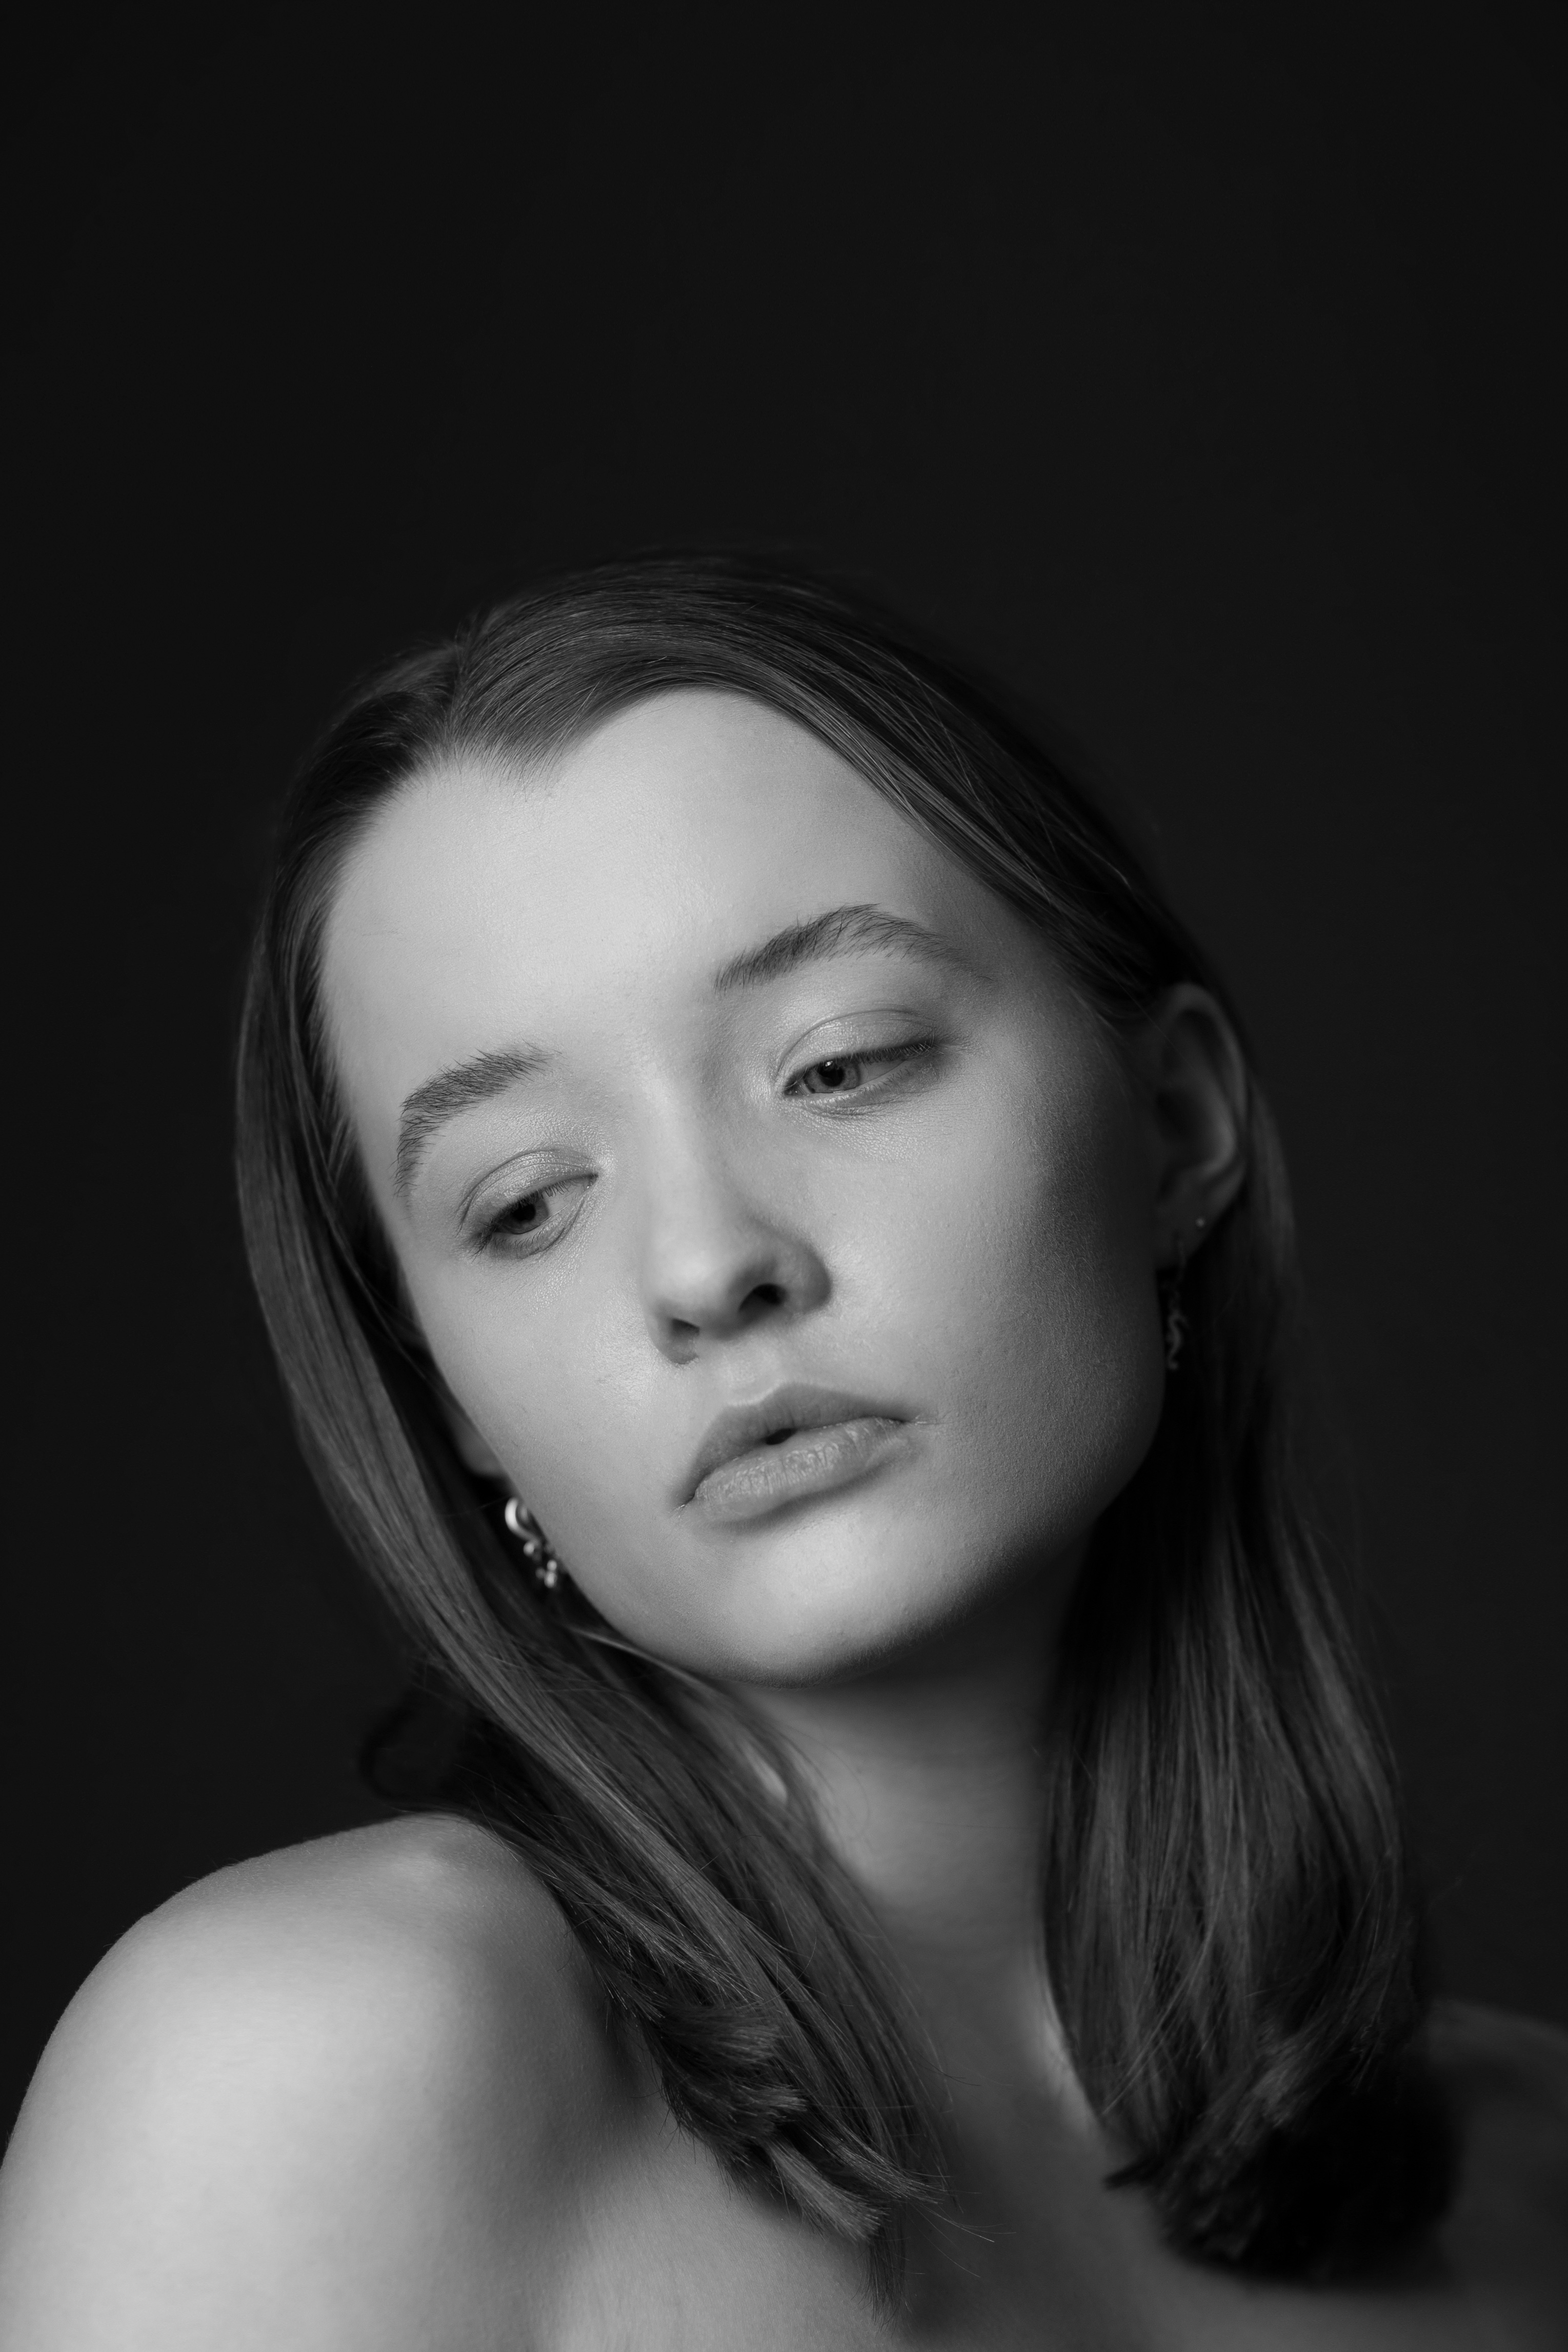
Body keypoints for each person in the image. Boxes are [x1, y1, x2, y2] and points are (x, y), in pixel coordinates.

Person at [0, 559, 1562, 2348]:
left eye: (837, 1064)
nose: (702, 1264)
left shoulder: (1533, 2180)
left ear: (1175, 1123)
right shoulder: (311, 2065)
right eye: (525, 1200)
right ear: (452, 1398)